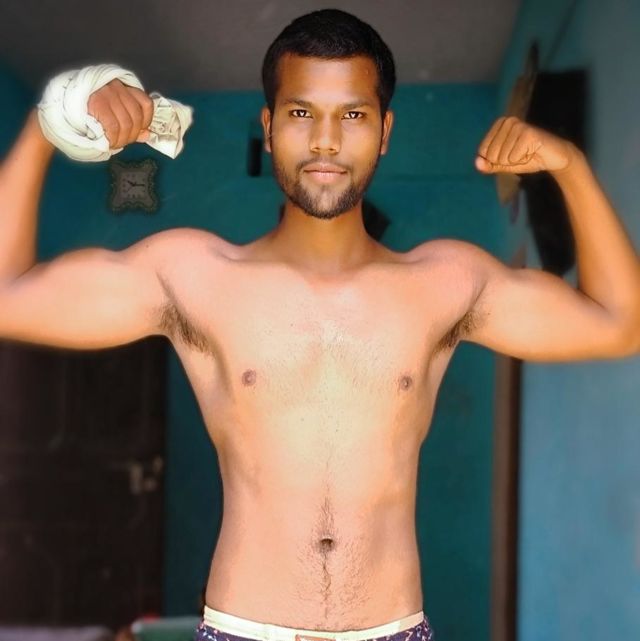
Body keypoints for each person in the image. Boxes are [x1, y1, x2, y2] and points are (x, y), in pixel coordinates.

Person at [1, 8, 639, 641]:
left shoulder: (445, 282)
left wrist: (570, 167)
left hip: (394, 630)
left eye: (352, 115)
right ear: (269, 126)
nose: (326, 141)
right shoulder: (196, 276)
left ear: (385, 131)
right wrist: (52, 118)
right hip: (242, 630)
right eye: (302, 112)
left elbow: (619, 324)